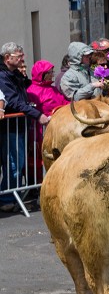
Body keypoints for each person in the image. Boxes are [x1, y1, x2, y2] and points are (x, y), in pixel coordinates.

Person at [0, 43, 49, 209]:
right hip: (11, 127)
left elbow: (26, 90)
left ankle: (13, 196)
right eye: (19, 55)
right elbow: (13, 101)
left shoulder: (14, 74)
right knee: (14, 162)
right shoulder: (3, 76)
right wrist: (37, 114)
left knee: (19, 162)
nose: (22, 58)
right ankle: (7, 198)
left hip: (20, 125)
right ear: (8, 58)